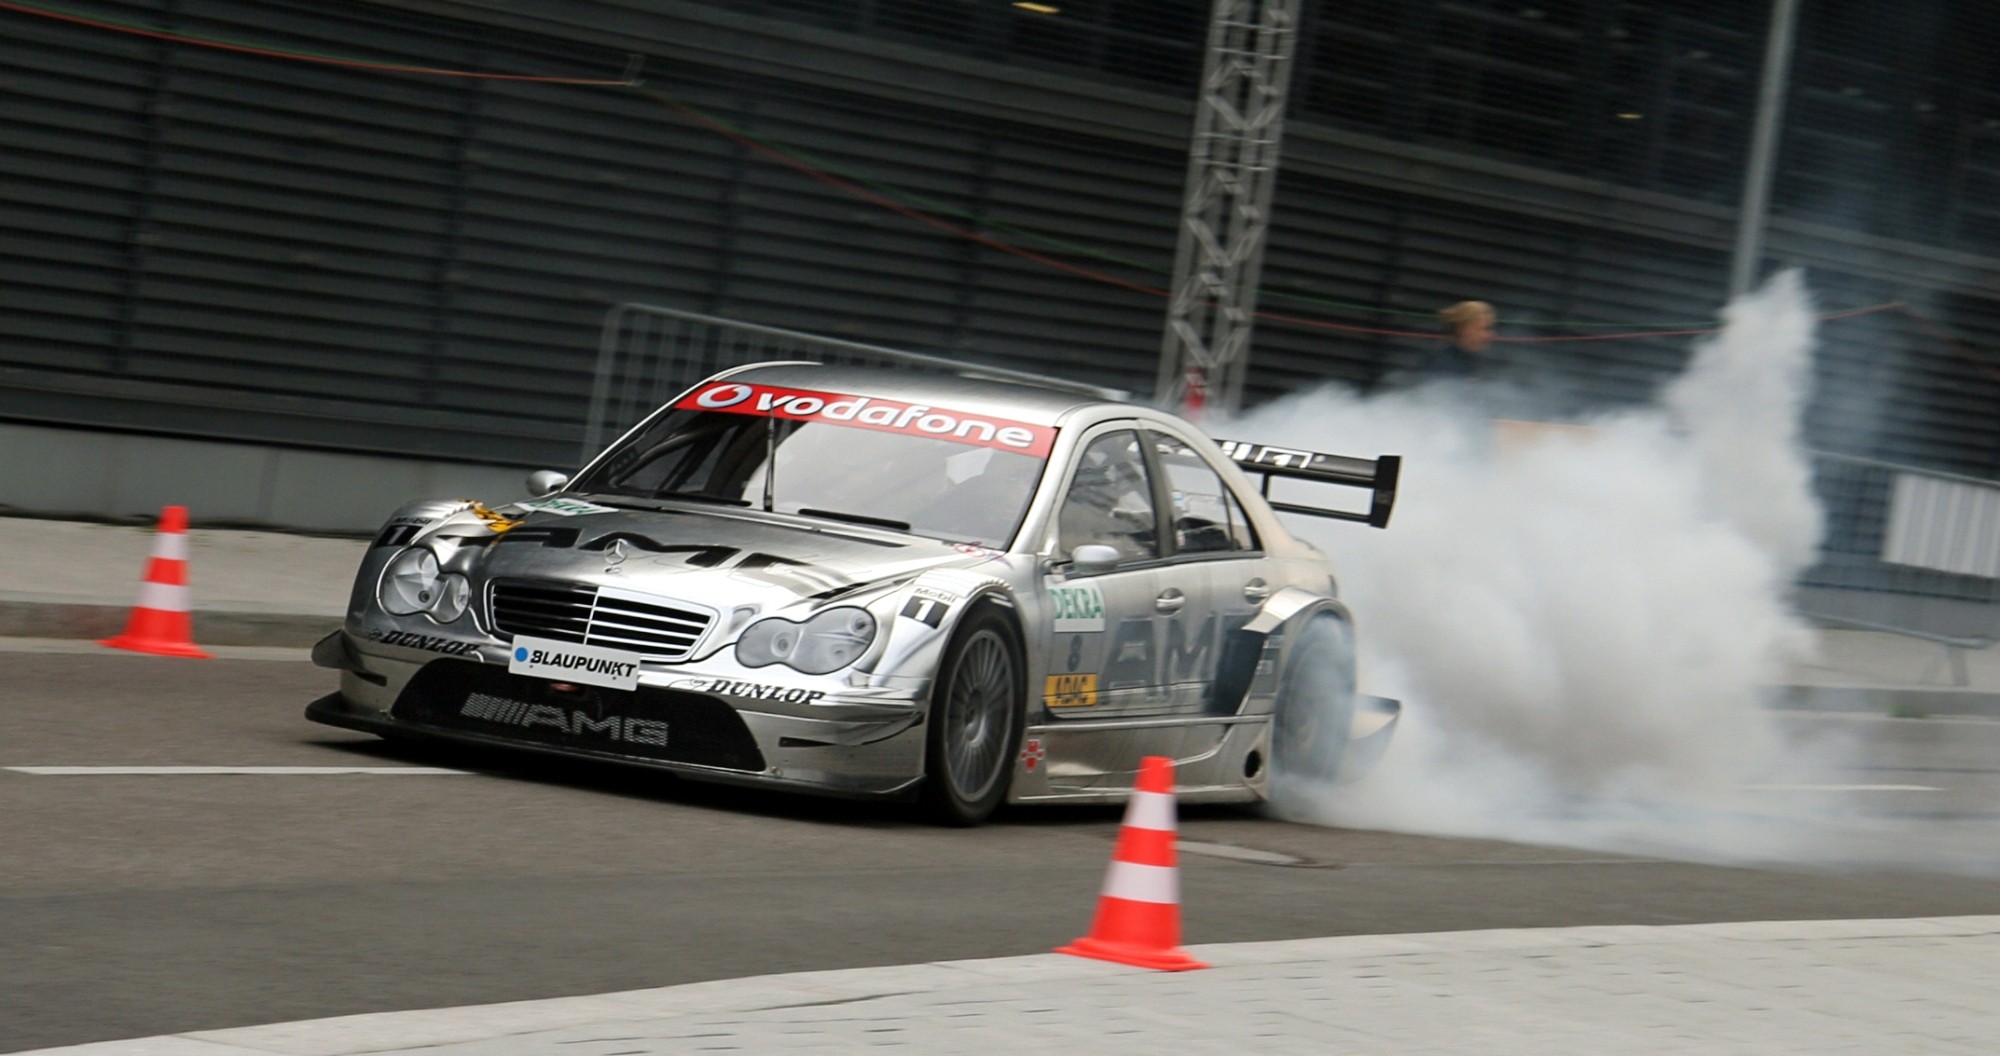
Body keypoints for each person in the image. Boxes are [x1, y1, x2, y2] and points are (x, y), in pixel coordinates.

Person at [1424, 299, 1496, 380]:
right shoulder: (1441, 364)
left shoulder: (1480, 362)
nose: (1490, 336)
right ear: (1463, 329)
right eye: (1484, 329)